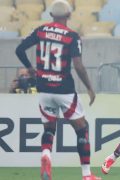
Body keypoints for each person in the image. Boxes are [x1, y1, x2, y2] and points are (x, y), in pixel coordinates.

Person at [15, 0, 101, 180]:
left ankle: (46, 154)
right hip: (64, 89)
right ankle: (86, 175)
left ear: (51, 15)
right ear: (69, 15)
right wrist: (90, 88)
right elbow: (78, 66)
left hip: (44, 88)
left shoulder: (41, 30)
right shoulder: (72, 36)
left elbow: (19, 49)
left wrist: (30, 68)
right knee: (82, 129)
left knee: (49, 129)